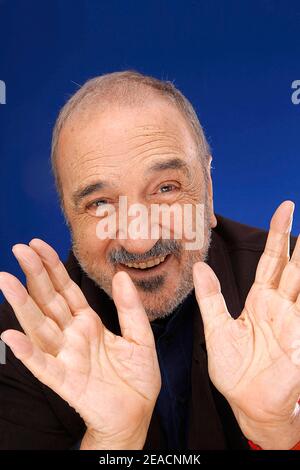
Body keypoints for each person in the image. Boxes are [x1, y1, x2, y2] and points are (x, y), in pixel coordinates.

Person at [0, 71, 299, 450]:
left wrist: (277, 431)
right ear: (68, 215)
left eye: (166, 188)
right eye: (101, 203)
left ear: (207, 188)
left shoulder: (293, 296)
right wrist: (113, 441)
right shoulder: (20, 345)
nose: (140, 241)